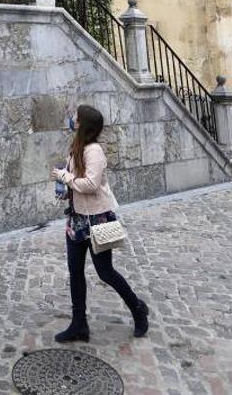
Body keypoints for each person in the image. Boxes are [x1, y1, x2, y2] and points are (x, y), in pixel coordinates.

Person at [51, 104, 149, 342]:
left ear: (83, 123)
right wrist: (65, 189)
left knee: (105, 272)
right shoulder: (77, 147)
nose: (72, 119)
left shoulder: (93, 151)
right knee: (75, 271)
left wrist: (64, 176)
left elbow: (92, 184)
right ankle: (79, 324)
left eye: (76, 116)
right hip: (77, 219)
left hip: (96, 219)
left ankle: (138, 309)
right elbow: (77, 183)